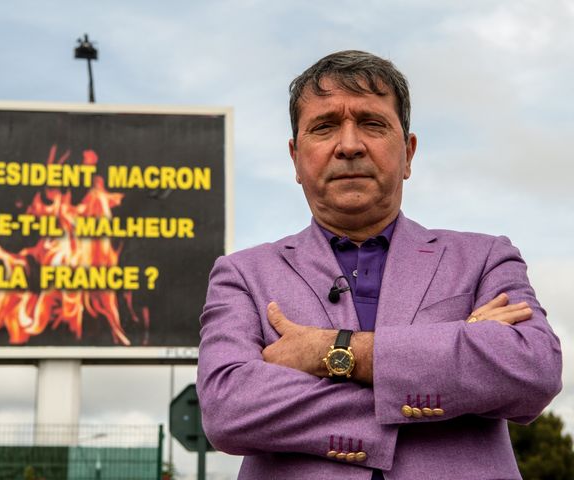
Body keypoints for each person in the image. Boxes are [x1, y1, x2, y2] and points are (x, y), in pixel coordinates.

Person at [196, 50, 562, 479]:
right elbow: (227, 408)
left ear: (408, 153)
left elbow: (533, 368)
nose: (349, 146)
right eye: (325, 126)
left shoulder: (484, 257)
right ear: (296, 158)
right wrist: (456, 364)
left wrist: (331, 352)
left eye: (372, 123)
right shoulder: (242, 275)